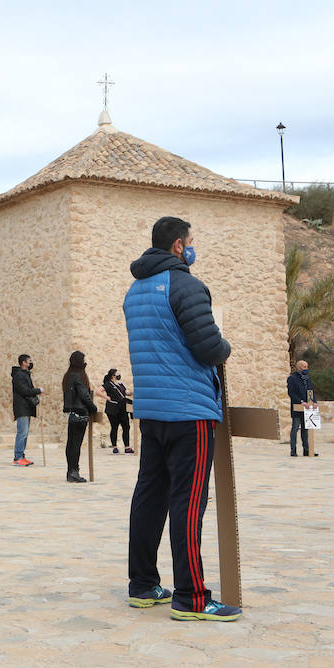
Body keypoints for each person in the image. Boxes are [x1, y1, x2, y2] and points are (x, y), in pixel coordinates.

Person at [123, 216, 240, 621]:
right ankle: (192, 597)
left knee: (149, 496)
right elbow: (208, 347)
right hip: (189, 410)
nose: (193, 248)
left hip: (152, 410)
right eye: (191, 241)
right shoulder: (186, 285)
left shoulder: (135, 290)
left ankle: (142, 585)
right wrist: (226, 347)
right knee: (188, 503)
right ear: (178, 245)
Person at [61, 352, 105, 483]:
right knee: (75, 445)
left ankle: (71, 471)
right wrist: (93, 407)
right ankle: (74, 472)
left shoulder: (68, 376)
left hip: (71, 413)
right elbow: (84, 395)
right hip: (80, 413)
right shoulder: (78, 376)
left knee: (71, 444)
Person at [10, 353, 42, 466]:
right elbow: (24, 391)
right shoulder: (19, 375)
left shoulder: (25, 374)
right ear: (23, 362)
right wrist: (38, 390)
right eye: (29, 360)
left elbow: (28, 390)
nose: (30, 362)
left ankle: (21, 455)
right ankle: (17, 457)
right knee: (22, 433)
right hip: (21, 407)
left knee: (25, 433)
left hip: (26, 407)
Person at [286, 360, 318, 457]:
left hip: (307, 408)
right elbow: (291, 393)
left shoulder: (307, 379)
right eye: (304, 367)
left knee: (305, 429)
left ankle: (307, 450)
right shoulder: (292, 378)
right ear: (298, 367)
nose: (306, 369)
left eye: (307, 367)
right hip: (297, 408)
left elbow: (311, 391)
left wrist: (314, 402)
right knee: (295, 428)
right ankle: (293, 450)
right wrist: (301, 402)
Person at [103, 368, 134, 454]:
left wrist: (132, 392)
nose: (119, 375)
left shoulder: (121, 384)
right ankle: (114, 447)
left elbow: (126, 393)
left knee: (126, 426)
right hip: (113, 409)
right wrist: (106, 397)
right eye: (117, 373)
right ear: (113, 375)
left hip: (123, 408)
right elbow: (99, 391)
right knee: (114, 427)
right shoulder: (108, 384)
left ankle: (127, 447)